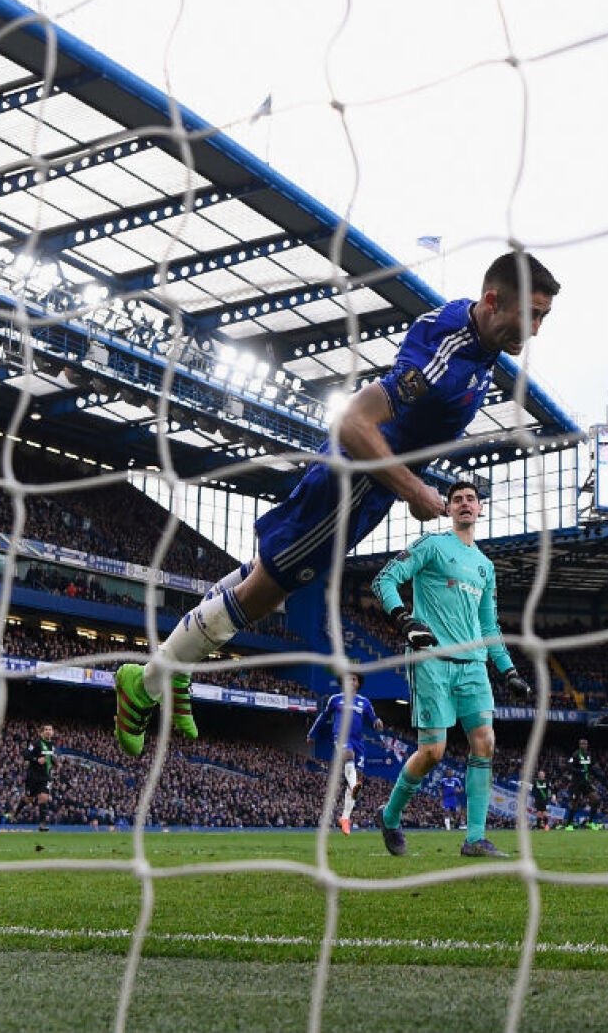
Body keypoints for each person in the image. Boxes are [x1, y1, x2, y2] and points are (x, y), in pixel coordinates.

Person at [113, 252, 559, 756]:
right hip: (350, 488)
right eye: (533, 313)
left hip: (371, 487)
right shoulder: (447, 352)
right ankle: (147, 681)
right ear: (494, 300)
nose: (537, 329)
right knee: (266, 591)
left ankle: (177, 664)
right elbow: (352, 421)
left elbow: (411, 429)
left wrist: (409, 483)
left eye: (543, 316)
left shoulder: (481, 344)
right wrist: (412, 488)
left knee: (265, 572)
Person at [371, 478, 527, 858]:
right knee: (434, 752)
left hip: (474, 665)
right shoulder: (433, 545)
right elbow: (384, 579)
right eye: (457, 499)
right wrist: (404, 620)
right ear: (448, 508)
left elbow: (489, 626)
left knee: (484, 742)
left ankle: (474, 839)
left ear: (480, 509)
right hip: (432, 662)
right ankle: (390, 816)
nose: (464, 504)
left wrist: (507, 670)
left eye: (471, 499)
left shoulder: (486, 567)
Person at [305, 688, 381, 835]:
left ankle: (345, 818)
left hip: (358, 742)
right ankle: (353, 786)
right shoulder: (335, 699)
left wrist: (377, 721)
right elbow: (324, 716)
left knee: (355, 776)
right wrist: (312, 733)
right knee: (348, 755)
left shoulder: (364, 702)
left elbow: (372, 717)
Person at [22, 723, 57, 832]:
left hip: (46, 777)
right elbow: (26, 755)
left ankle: (42, 825)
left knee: (44, 798)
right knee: (29, 799)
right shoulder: (36, 743)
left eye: (50, 729)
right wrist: (36, 760)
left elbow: (49, 758)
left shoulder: (52, 744)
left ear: (52, 732)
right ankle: (17, 811)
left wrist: (54, 762)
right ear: (42, 732)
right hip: (34, 776)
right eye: (46, 729)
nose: (48, 731)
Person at [567, 738, 598, 828]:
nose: (584, 745)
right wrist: (579, 771)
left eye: (585, 744)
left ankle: (590, 822)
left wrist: (595, 773)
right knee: (575, 804)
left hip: (585, 782)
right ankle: (569, 825)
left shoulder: (589, 755)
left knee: (596, 799)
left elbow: (591, 767)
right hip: (576, 783)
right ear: (579, 745)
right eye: (582, 744)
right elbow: (569, 766)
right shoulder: (575, 754)